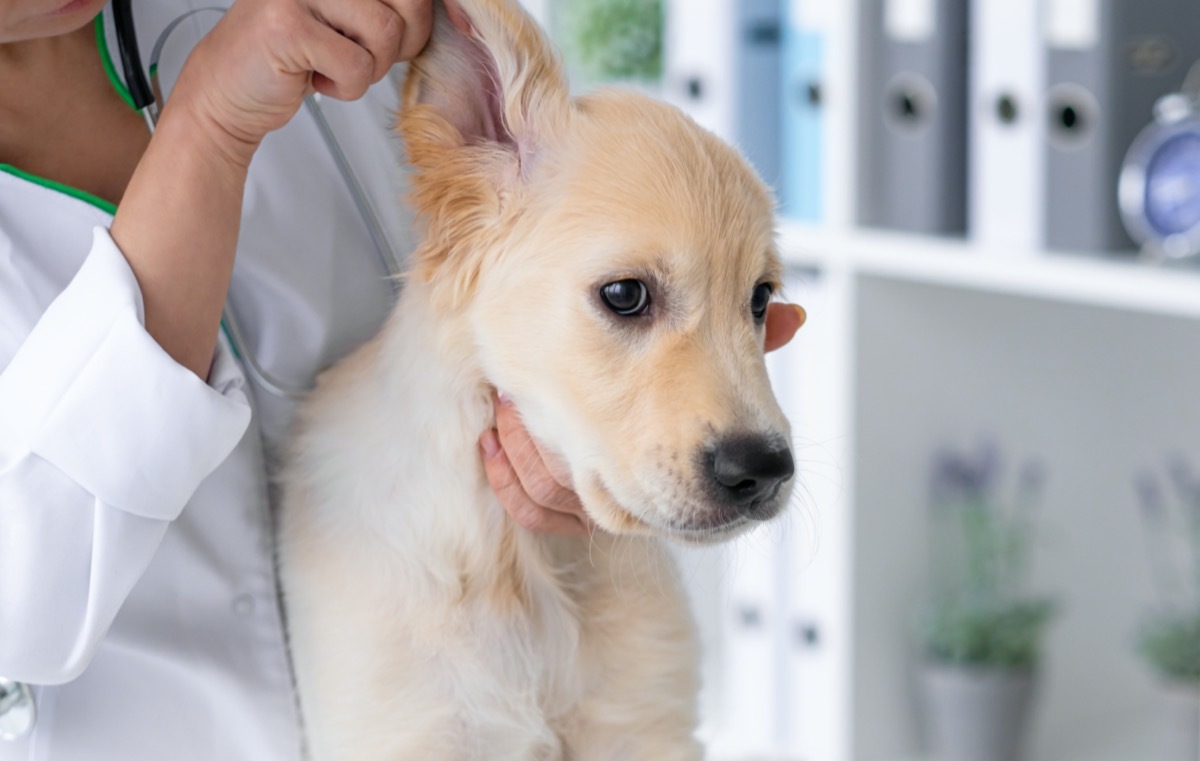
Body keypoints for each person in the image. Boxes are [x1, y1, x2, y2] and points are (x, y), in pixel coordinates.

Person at [0, 0, 806, 758]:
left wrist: (603, 424)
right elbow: (23, 597)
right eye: (628, 297)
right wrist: (209, 124)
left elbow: (520, 272)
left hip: (540, 603)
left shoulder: (325, 22)